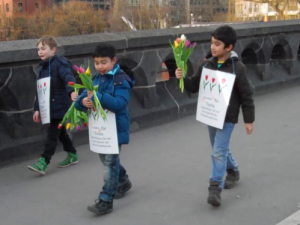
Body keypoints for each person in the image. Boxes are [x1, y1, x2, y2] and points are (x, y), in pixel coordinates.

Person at [175, 26, 255, 206]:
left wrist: (248, 120)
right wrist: (181, 77)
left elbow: (246, 95)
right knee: (218, 148)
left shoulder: (238, 68)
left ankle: (215, 188)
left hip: (228, 117)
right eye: (212, 43)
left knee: (218, 152)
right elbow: (194, 86)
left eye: (217, 44)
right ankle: (233, 170)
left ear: (229, 47)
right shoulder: (206, 64)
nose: (213, 47)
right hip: (211, 114)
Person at [75, 43, 133, 215]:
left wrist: (97, 96)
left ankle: (106, 199)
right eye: (97, 63)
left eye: (104, 62)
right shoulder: (94, 79)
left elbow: (120, 104)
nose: (100, 66)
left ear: (114, 61)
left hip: (115, 127)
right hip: (100, 129)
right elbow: (83, 97)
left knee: (109, 162)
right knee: (107, 160)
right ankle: (123, 181)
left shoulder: (121, 80)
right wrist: (82, 102)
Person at [28, 35, 78, 175]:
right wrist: (37, 109)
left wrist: (71, 92)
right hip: (50, 106)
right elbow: (41, 91)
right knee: (60, 132)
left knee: (52, 133)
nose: (40, 52)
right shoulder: (42, 67)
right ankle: (72, 154)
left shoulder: (60, 64)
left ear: (53, 50)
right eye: (38, 49)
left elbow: (68, 78)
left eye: (43, 49)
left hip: (61, 105)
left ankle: (44, 161)